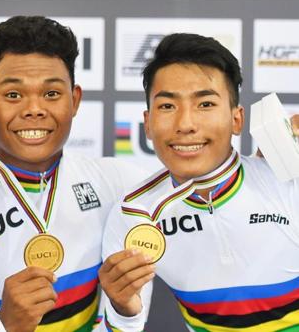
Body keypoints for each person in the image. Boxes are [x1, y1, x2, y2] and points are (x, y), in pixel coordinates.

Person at [0, 16, 152, 332]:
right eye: (14, 95)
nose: (34, 109)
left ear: (74, 100)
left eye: (51, 94)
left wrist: (124, 311)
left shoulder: (117, 184)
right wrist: (4, 325)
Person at [101, 33, 299, 331]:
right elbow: (124, 326)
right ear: (148, 124)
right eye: (167, 106)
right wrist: (122, 307)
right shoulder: (134, 214)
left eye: (205, 104)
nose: (185, 125)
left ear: (237, 119)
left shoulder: (287, 180)